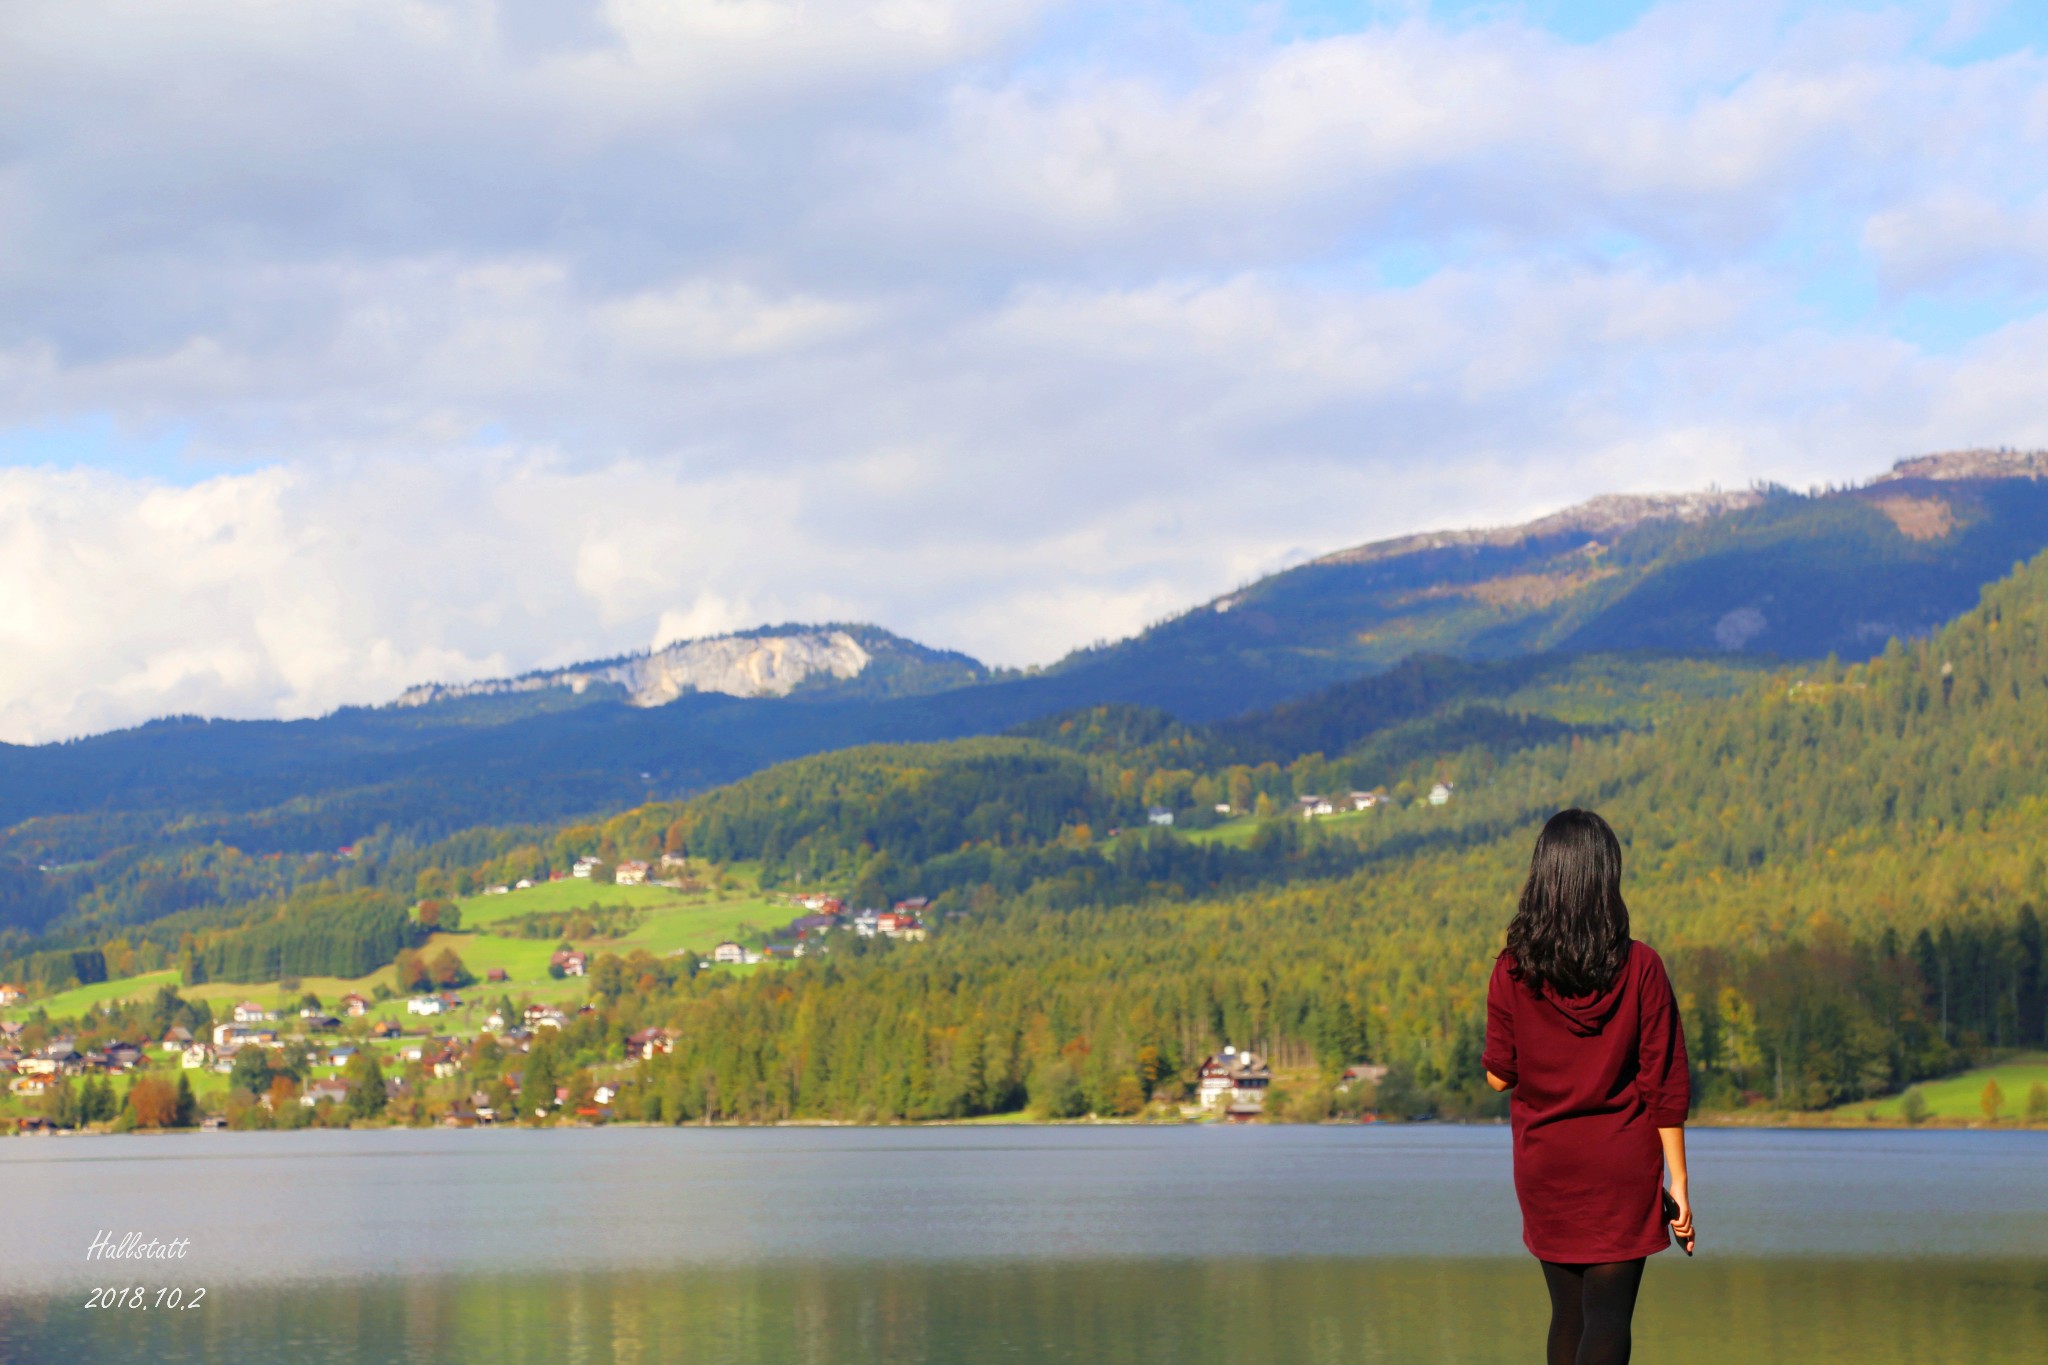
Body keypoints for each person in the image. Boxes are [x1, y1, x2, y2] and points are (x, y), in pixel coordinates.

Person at [1481, 808, 1694, 1365]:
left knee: (1566, 1315)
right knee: (1609, 1316)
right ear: (1606, 878)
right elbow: (1663, 1084)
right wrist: (1681, 1184)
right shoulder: (1642, 966)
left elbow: (1499, 1074)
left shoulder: (1512, 968)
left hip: (1546, 1163)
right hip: (1621, 1165)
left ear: (1542, 877)